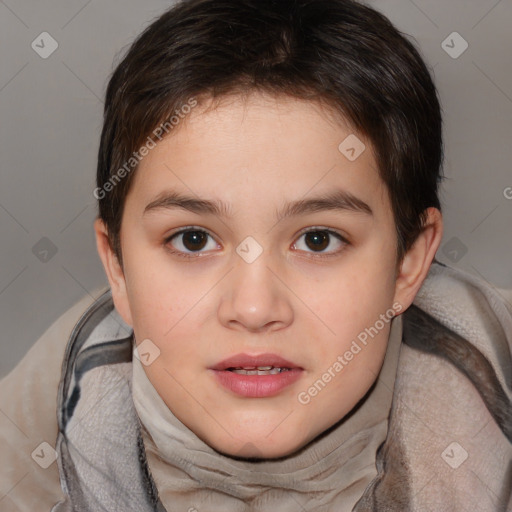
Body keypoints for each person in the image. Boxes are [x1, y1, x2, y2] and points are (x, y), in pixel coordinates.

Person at [1, 0, 511, 510]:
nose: (253, 308)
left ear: (408, 264)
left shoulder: (489, 378)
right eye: (193, 240)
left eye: (318, 239)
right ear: (118, 268)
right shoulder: (63, 387)